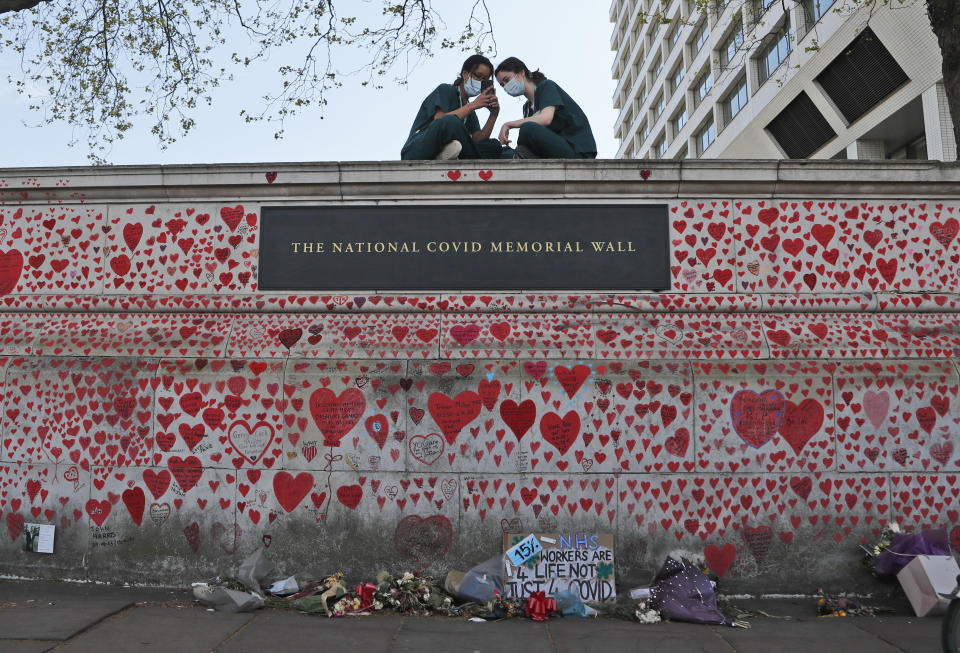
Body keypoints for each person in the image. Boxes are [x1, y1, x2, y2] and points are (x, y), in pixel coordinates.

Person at [401, 54, 511, 160]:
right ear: (465, 74)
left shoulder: (470, 111)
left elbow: (478, 139)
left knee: (494, 145)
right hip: (418, 149)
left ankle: (446, 154)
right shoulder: (446, 90)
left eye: (485, 80)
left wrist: (493, 114)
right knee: (451, 121)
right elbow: (440, 121)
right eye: (478, 76)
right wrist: (473, 105)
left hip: (453, 148)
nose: (480, 81)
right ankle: (462, 155)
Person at [494, 57, 597, 159]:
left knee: (528, 128)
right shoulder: (526, 108)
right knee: (503, 153)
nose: (506, 87)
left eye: (507, 80)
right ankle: (517, 157)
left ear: (521, 73)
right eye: (502, 85)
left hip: (576, 151)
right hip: (552, 152)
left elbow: (546, 118)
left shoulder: (546, 86)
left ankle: (519, 157)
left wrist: (509, 124)